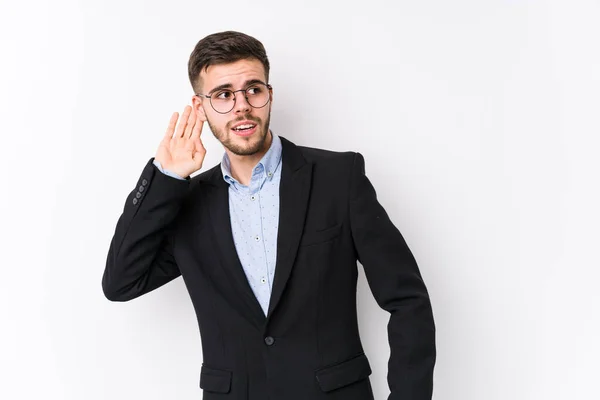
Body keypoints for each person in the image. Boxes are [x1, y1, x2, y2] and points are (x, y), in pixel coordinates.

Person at [102, 30, 436, 400]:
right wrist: (166, 179)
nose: (241, 106)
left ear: (269, 95)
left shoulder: (338, 179)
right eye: (224, 95)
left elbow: (407, 300)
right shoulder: (186, 205)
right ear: (200, 108)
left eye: (253, 90)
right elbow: (121, 283)